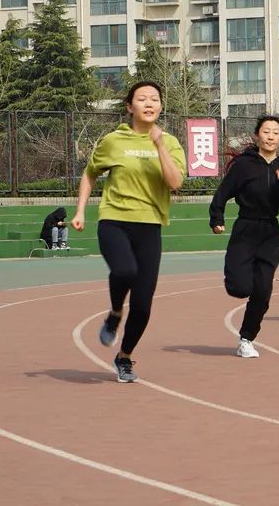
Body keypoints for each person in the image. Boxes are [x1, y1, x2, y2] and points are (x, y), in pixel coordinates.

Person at [71, 81, 186, 383]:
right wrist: (80, 210)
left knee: (144, 304)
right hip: (114, 220)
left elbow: (175, 183)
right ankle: (114, 313)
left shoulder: (170, 142)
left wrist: (159, 146)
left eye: (155, 99)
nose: (149, 103)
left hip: (150, 224)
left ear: (161, 106)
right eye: (142, 98)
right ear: (129, 106)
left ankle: (124, 356)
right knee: (124, 270)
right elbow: (90, 174)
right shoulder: (113, 140)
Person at [210, 115, 279, 357]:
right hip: (245, 228)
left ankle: (246, 339)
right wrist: (217, 218)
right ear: (256, 135)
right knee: (239, 288)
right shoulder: (244, 165)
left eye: (276, 132)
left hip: (270, 233)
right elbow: (223, 193)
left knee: (263, 292)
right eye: (266, 131)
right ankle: (240, 279)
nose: (271, 136)